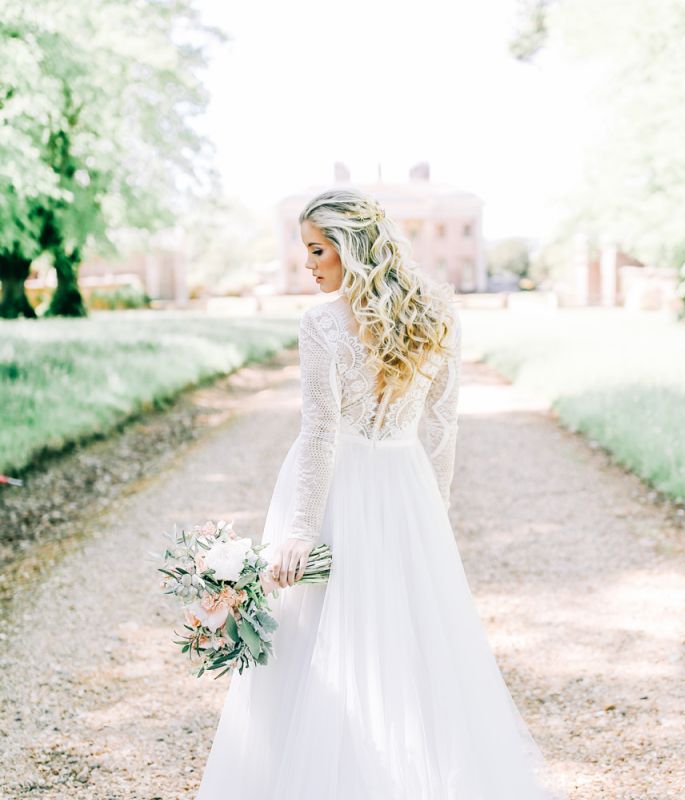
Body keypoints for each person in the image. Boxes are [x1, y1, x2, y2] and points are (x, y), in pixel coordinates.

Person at [196, 188, 556, 799]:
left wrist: (300, 531)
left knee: (326, 637)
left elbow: (321, 433)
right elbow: (441, 425)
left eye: (318, 250)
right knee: (405, 637)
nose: (308, 263)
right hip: (405, 484)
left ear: (350, 247)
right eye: (306, 250)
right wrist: (432, 509)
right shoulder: (438, 313)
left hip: (339, 489)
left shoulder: (321, 324)